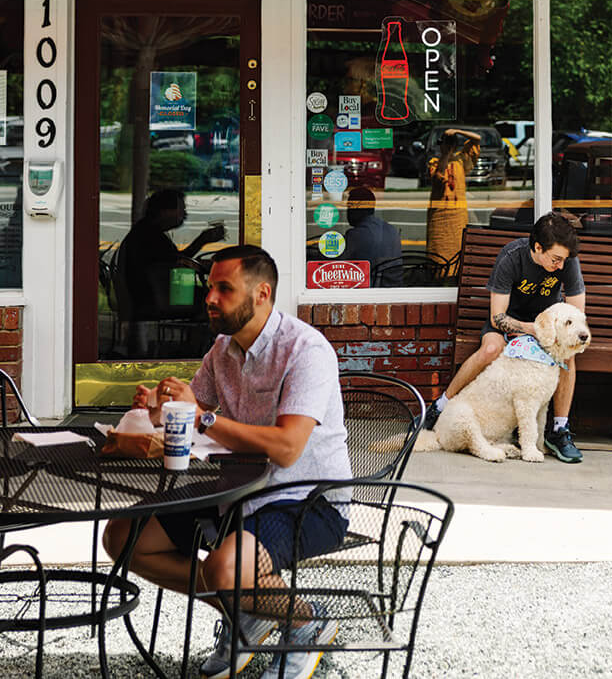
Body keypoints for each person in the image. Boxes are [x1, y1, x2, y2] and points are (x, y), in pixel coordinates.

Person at [103, 245, 352, 679]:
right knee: (124, 538)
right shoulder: (223, 349)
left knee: (224, 568)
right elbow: (194, 411)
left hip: (305, 499)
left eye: (224, 289)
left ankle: (307, 622)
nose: (210, 298)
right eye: (210, 288)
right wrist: (160, 409)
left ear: (262, 294)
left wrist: (202, 416)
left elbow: (286, 448)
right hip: (235, 490)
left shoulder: (306, 350)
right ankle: (246, 612)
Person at [424, 211, 587, 463]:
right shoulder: (512, 256)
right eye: (555, 259)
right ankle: (441, 406)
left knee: (568, 356)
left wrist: (553, 333)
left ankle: (559, 429)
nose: (561, 266)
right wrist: (531, 329)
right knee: (491, 348)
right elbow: (497, 317)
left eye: (563, 260)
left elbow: (576, 313)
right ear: (538, 247)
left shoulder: (567, 260)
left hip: (549, 326)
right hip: (511, 322)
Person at [116, 189, 225, 357]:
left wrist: (201, 242)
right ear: (164, 211)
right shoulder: (150, 236)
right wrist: (202, 247)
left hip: (146, 296)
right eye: (181, 209)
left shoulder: (146, 232)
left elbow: (176, 260)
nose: (185, 215)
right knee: (215, 301)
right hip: (152, 299)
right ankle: (199, 352)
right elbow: (178, 264)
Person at [425, 126, 481, 275]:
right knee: (438, 254)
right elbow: (438, 179)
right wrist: (445, 155)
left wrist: (457, 131)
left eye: (451, 144)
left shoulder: (461, 160)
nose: (448, 146)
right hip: (439, 216)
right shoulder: (434, 162)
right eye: (445, 143)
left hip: (457, 216)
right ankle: (437, 280)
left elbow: (477, 138)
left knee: (457, 252)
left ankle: (455, 279)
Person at [344, 185, 402, 287]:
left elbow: (336, 263)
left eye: (349, 207)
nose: (347, 212)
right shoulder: (391, 229)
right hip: (395, 288)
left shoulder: (357, 235)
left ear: (357, 208)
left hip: (372, 290)